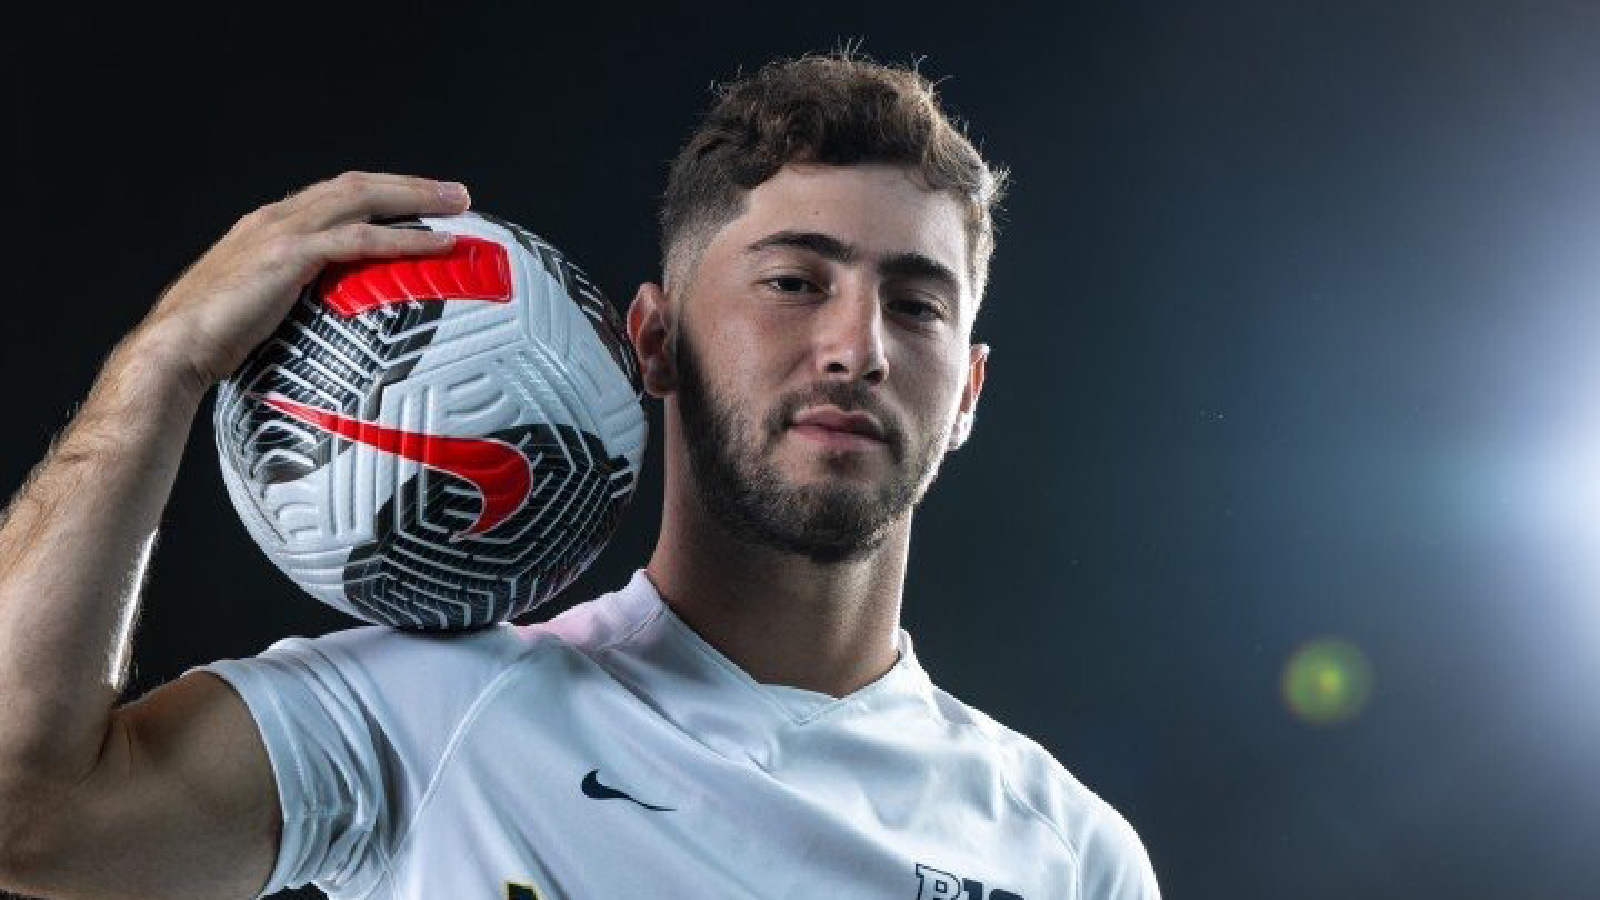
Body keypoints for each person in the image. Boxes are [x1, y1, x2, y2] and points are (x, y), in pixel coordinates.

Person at [0, 51, 1159, 899]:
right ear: (648, 341)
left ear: (964, 392)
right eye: (794, 282)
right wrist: (162, 366)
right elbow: (28, 816)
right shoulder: (433, 712)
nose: (858, 346)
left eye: (916, 304)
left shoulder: (1069, 854)